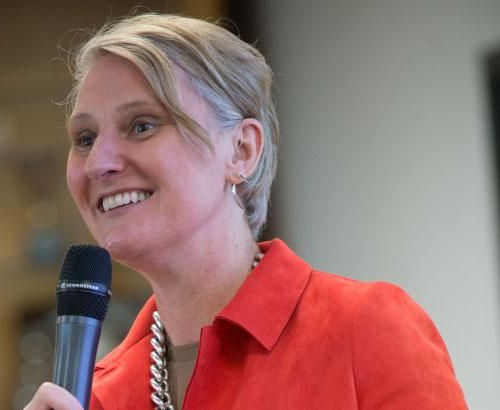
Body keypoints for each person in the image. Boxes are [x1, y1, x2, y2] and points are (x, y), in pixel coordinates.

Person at [25, 13, 467, 410]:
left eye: (142, 125)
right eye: (84, 138)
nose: (99, 163)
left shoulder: (364, 329)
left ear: (241, 149)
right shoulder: (100, 396)